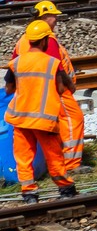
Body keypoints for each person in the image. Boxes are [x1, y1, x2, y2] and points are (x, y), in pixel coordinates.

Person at [5, 20, 77, 203]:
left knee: (23, 157)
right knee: (53, 156)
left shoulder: (16, 63)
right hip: (44, 119)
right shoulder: (52, 63)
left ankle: (29, 192)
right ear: (45, 40)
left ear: (29, 40)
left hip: (20, 118)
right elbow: (62, 89)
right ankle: (65, 189)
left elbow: (8, 89)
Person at [16, 0, 84, 176]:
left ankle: (39, 170)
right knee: (73, 120)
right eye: (53, 16)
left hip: (32, 91)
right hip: (55, 89)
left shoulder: (23, 40)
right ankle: (71, 163)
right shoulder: (48, 40)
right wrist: (67, 85)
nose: (56, 20)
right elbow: (56, 68)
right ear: (45, 17)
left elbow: (15, 66)